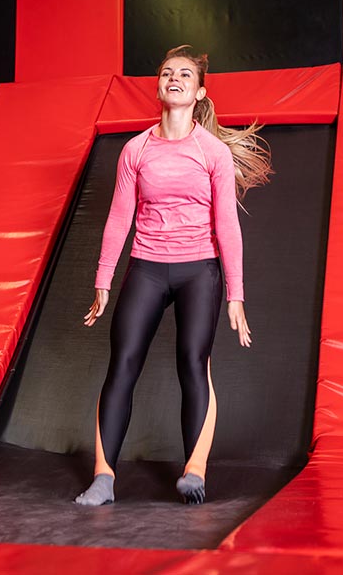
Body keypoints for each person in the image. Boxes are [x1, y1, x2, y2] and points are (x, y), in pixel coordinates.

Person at [75, 45, 272, 506]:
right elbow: (119, 218)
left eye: (185, 74)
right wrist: (103, 279)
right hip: (146, 266)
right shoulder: (135, 150)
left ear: (199, 91)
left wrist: (235, 295)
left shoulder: (214, 152)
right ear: (160, 87)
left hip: (198, 270)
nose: (174, 78)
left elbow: (227, 225)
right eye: (167, 73)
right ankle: (103, 478)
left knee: (193, 363)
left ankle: (194, 472)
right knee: (122, 364)